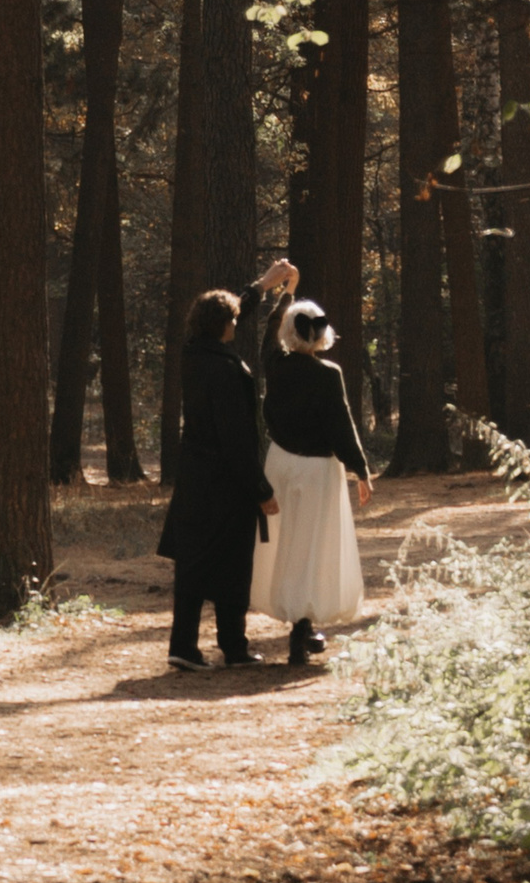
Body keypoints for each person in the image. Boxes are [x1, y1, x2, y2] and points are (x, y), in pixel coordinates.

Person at [158, 258, 298, 671]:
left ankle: (183, 646)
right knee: (234, 564)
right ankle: (234, 647)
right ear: (222, 326)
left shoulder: (193, 354)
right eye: (232, 321)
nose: (237, 324)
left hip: (194, 478)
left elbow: (233, 309)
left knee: (193, 565)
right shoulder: (225, 371)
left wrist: (263, 285)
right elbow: (237, 439)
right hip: (226, 482)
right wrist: (260, 490)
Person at [251, 299, 373, 664]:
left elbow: (267, 343)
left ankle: (298, 622)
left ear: (289, 331)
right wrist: (361, 470)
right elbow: (341, 426)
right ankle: (302, 627)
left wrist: (284, 295)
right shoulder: (328, 374)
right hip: (317, 468)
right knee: (311, 544)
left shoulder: (276, 367)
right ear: (321, 334)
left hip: (280, 462)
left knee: (284, 541)